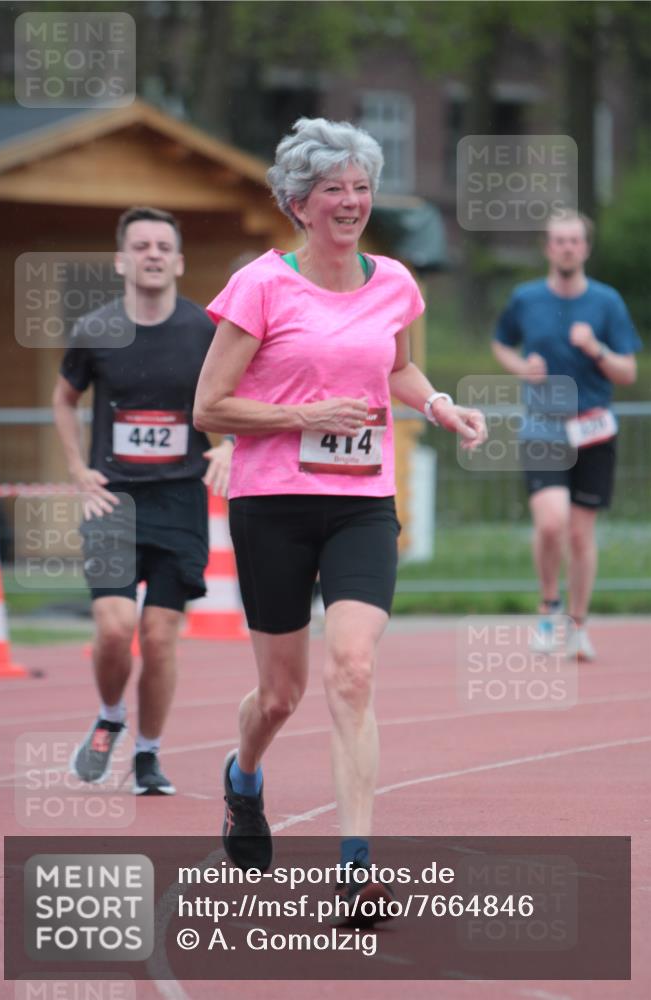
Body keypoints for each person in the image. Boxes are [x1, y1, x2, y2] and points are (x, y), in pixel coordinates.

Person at [193, 118, 487, 918]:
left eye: (360, 188)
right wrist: (303, 417)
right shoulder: (261, 284)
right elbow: (208, 406)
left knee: (352, 671)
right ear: (298, 202)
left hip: (361, 503)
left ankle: (353, 870)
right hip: (273, 504)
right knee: (280, 695)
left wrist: (436, 402)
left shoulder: (392, 280)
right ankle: (242, 775)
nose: (351, 202)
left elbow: (394, 364)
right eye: (333, 190)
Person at [53, 206, 232, 795]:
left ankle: (149, 756)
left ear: (178, 261)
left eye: (162, 246)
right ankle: (110, 716)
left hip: (179, 502)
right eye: (140, 245)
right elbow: (64, 399)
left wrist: (229, 445)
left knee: (158, 636)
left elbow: (232, 396)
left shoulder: (205, 331)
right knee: (113, 626)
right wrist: (79, 468)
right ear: (121, 259)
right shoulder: (96, 330)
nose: (152, 254)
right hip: (113, 503)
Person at [492, 210, 640, 660]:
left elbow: (629, 371)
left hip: (594, 428)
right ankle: (547, 607)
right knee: (551, 522)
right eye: (559, 240)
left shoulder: (607, 303)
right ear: (547, 248)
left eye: (575, 240)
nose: (568, 248)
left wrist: (596, 349)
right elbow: (501, 342)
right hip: (543, 423)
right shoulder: (525, 298)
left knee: (580, 534)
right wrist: (522, 368)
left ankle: (577, 624)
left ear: (586, 248)